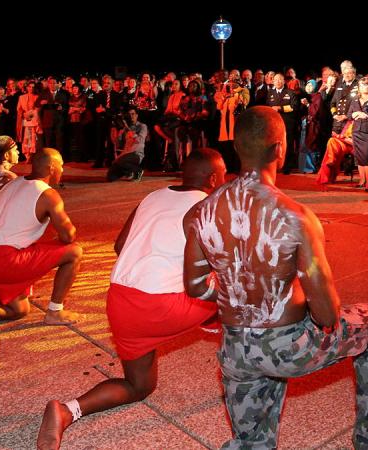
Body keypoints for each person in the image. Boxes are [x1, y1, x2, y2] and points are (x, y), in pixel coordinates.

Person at [183, 106, 368, 450]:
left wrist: (242, 297)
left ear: (236, 148)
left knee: (252, 440)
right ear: (280, 149)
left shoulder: (200, 212)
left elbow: (195, 285)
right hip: (288, 350)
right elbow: (327, 314)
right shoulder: (295, 216)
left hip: (234, 351)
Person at [36, 149, 227, 450]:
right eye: (224, 174)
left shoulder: (152, 196)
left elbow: (120, 244)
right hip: (160, 307)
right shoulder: (207, 206)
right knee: (235, 290)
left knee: (139, 386)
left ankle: (66, 410)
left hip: (120, 302)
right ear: (214, 178)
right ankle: (240, 367)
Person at [0, 148, 82, 324]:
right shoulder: (48, 194)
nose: (63, 170)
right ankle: (55, 312)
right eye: (61, 166)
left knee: (20, 310)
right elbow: (68, 236)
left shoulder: (11, 183)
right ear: (51, 168)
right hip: (6, 261)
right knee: (74, 252)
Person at [107, 107, 148, 182]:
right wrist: (117, 133)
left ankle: (137, 170)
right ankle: (128, 172)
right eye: (129, 115)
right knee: (110, 177)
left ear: (137, 115)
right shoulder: (125, 128)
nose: (131, 116)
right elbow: (117, 144)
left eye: (133, 114)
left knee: (121, 161)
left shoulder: (142, 126)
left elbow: (140, 140)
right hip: (125, 154)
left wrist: (130, 131)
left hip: (136, 154)